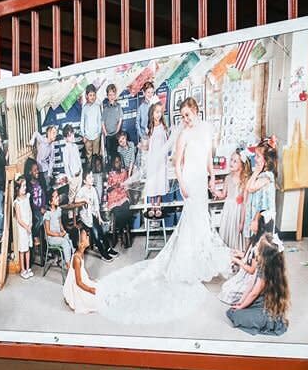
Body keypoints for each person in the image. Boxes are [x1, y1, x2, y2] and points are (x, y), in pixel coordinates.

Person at [96, 97, 230, 325]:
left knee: (202, 221)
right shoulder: (184, 134)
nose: (186, 119)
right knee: (192, 221)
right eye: (183, 116)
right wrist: (183, 183)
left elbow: (208, 155)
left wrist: (213, 178)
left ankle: (201, 262)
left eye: (188, 115)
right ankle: (189, 263)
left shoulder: (206, 129)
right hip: (189, 178)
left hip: (201, 178)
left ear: (196, 111)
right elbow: (177, 162)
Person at [226, 232, 289, 335]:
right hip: (258, 301)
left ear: (263, 253)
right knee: (233, 310)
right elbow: (250, 285)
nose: (255, 247)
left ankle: (267, 320)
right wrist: (241, 302)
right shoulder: (261, 264)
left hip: (265, 306)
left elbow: (254, 293)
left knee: (236, 315)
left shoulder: (266, 271)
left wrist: (241, 307)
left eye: (257, 246)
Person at [219, 211, 266, 306]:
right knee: (225, 287)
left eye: (254, 221)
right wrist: (240, 254)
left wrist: (237, 261)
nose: (251, 222)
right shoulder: (255, 238)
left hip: (249, 277)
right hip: (244, 275)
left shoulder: (259, 245)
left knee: (228, 292)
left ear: (261, 225)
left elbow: (252, 270)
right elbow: (249, 257)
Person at [243, 137, 278, 250]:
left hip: (262, 218)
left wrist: (257, 171)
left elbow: (250, 188)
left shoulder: (267, 176)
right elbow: (248, 187)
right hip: (256, 216)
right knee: (254, 245)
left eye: (258, 156)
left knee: (261, 246)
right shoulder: (260, 175)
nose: (255, 158)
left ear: (266, 160)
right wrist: (256, 172)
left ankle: (256, 266)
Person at [77, 169, 115, 261]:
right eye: (89, 177)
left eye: (92, 177)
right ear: (84, 181)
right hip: (85, 217)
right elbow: (76, 200)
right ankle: (103, 253)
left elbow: (96, 205)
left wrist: (99, 217)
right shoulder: (82, 190)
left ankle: (108, 249)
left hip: (93, 215)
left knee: (101, 231)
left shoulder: (93, 189)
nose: (92, 179)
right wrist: (85, 200)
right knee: (96, 234)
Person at [218, 149, 252, 251]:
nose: (231, 163)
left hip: (238, 211)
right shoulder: (228, 178)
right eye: (231, 160)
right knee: (227, 231)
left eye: (235, 161)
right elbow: (223, 195)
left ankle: (237, 254)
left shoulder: (245, 180)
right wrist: (215, 191)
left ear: (242, 165)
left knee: (236, 232)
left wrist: (242, 222)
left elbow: (245, 203)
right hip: (228, 211)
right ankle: (227, 253)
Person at [63, 226, 98, 313]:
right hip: (78, 286)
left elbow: (82, 274)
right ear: (80, 243)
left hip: (82, 282)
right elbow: (78, 282)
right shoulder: (77, 259)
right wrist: (90, 289)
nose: (88, 237)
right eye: (86, 237)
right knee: (98, 300)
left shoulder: (81, 253)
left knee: (100, 287)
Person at [143, 101, 169, 218]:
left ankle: (158, 205)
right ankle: (152, 205)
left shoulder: (163, 127)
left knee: (159, 182)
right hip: (152, 160)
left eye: (160, 112)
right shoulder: (150, 128)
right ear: (152, 113)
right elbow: (148, 145)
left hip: (161, 160)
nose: (158, 114)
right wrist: (142, 146)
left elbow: (166, 142)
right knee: (153, 182)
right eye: (156, 112)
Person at [106, 153, 132, 249]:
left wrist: (130, 198)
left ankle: (123, 234)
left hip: (122, 195)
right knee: (118, 213)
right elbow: (108, 189)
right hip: (113, 198)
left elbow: (127, 186)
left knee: (126, 210)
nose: (118, 163)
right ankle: (122, 234)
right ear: (113, 164)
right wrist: (114, 186)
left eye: (119, 161)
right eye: (116, 162)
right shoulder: (111, 174)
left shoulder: (124, 172)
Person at [44, 188, 73, 268]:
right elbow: (48, 232)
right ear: (50, 202)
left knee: (69, 239)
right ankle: (68, 265)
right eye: (56, 197)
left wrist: (63, 231)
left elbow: (60, 224)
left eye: (58, 196)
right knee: (65, 243)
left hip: (59, 235)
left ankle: (72, 260)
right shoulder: (48, 214)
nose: (58, 199)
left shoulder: (59, 210)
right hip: (51, 238)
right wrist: (59, 235)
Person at [13, 177, 33, 279]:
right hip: (22, 229)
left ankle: (28, 268)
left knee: (28, 248)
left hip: (28, 227)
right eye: (23, 186)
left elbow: (30, 211)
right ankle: (23, 269)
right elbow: (19, 219)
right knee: (22, 249)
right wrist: (26, 227)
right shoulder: (17, 202)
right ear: (18, 189)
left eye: (25, 186)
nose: (25, 188)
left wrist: (30, 224)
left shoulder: (27, 198)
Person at [102, 83, 123, 164]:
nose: (111, 97)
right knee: (110, 154)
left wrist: (117, 131)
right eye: (110, 95)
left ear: (115, 95)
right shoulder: (105, 108)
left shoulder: (118, 106)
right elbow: (102, 122)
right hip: (108, 136)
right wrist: (106, 134)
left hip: (116, 135)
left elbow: (120, 120)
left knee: (117, 154)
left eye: (113, 94)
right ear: (107, 96)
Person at [80, 84, 102, 161]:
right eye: (90, 95)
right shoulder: (84, 108)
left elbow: (99, 120)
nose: (92, 97)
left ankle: (96, 171)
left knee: (96, 156)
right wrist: (83, 135)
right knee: (88, 155)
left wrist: (98, 133)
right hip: (87, 137)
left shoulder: (97, 107)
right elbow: (82, 122)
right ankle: (90, 171)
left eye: (94, 95)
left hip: (96, 136)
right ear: (86, 96)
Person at [62, 123, 83, 203]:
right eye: (70, 135)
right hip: (73, 177)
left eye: (73, 134)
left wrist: (81, 171)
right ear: (65, 138)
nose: (72, 137)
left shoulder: (75, 146)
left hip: (79, 175)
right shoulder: (66, 149)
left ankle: (77, 214)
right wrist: (70, 178)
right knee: (72, 198)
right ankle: (71, 215)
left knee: (78, 196)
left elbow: (79, 160)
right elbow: (66, 165)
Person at [136, 80, 156, 145]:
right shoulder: (141, 108)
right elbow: (137, 123)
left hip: (155, 135)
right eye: (148, 92)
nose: (150, 94)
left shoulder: (156, 105)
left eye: (152, 92)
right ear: (144, 93)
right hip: (145, 137)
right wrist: (142, 135)